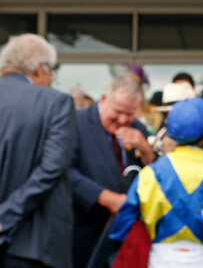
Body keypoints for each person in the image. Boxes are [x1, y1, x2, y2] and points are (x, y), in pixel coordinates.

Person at [109, 97, 203, 267]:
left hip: (159, 256)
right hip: (201, 257)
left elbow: (126, 217)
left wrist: (116, 241)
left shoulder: (152, 173)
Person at [0, 34, 75, 268]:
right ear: (40, 68)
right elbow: (52, 169)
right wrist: (5, 217)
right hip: (36, 246)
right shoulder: (56, 102)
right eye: (51, 73)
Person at [70, 73, 154, 268]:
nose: (123, 120)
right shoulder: (76, 122)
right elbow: (65, 171)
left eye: (130, 113)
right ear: (103, 99)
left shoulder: (137, 128)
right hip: (84, 229)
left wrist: (146, 149)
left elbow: (152, 174)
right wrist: (106, 197)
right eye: (118, 112)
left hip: (125, 234)